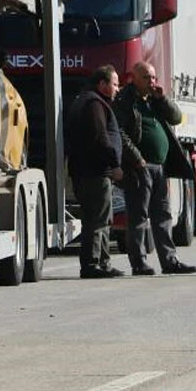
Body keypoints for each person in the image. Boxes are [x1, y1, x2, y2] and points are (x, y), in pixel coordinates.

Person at [113, 62, 196, 276]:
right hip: (139, 167)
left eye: (153, 77)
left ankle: (170, 260)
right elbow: (120, 132)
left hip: (160, 167)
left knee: (163, 214)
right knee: (138, 216)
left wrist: (163, 99)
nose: (151, 82)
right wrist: (136, 158)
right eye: (146, 78)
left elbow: (176, 118)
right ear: (134, 78)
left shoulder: (154, 100)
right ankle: (139, 262)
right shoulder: (125, 100)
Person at [66, 65, 126, 279]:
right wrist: (114, 164)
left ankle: (103, 263)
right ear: (102, 84)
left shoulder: (88, 101)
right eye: (115, 84)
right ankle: (92, 264)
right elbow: (100, 137)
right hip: (95, 173)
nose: (118, 89)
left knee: (102, 218)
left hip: (89, 172)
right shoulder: (94, 105)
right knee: (98, 220)